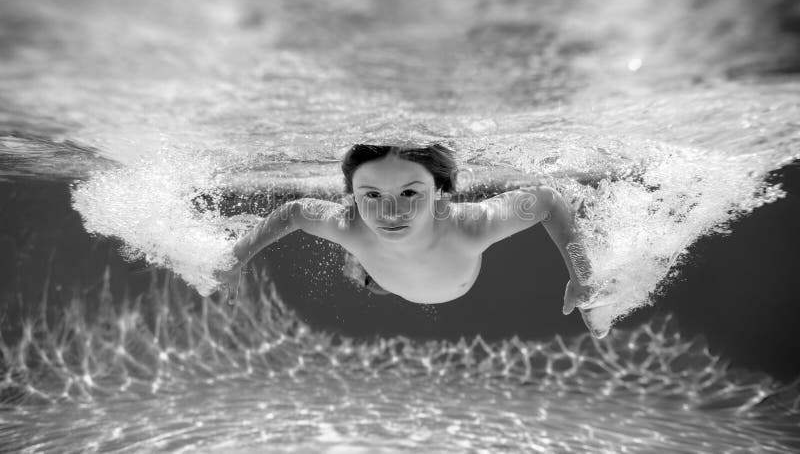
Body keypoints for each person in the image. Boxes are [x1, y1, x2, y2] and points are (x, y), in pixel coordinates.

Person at [215, 143, 607, 337]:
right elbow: (295, 212)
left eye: (408, 194)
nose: (389, 214)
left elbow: (548, 202)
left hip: (414, 274)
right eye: (371, 195)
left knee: (366, 261)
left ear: (441, 191)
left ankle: (365, 267)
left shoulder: (471, 226)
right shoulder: (349, 224)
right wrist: (238, 256)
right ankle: (362, 267)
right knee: (365, 269)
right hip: (382, 273)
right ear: (352, 193)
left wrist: (582, 274)